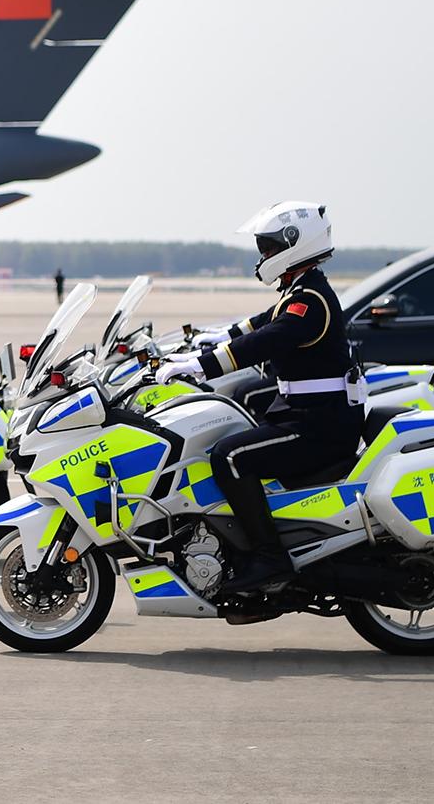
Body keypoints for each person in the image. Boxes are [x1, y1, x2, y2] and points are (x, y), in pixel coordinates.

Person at [155, 202, 362, 592]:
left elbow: (271, 338)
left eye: (268, 247)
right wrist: (217, 337)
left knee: (229, 456)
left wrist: (201, 366)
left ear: (294, 243)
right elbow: (265, 321)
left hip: (319, 423)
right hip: (311, 414)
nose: (263, 255)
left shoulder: (310, 300)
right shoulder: (303, 288)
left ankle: (270, 558)